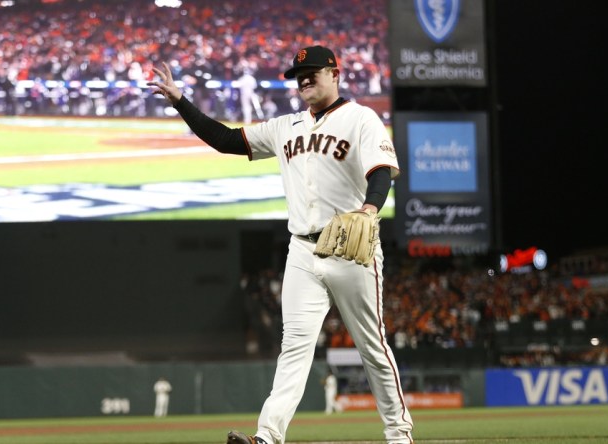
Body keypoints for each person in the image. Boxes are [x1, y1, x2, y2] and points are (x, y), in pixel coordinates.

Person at [149, 45, 414, 444]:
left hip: (349, 247)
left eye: (312, 71)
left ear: (334, 72)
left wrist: (369, 210)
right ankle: (268, 436)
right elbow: (225, 139)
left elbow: (381, 172)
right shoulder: (284, 127)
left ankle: (399, 434)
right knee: (293, 347)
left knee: (372, 345)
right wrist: (180, 102)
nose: (304, 79)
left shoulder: (361, 119)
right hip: (303, 251)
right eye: (298, 74)